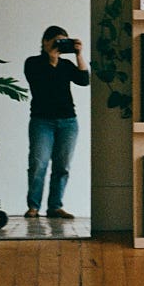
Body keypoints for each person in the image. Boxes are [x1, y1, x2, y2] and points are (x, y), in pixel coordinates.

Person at [23, 26, 89, 221]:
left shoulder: (67, 65)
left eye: (64, 42)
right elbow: (38, 83)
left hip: (68, 122)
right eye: (56, 41)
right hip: (42, 121)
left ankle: (55, 206)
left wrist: (79, 55)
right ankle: (33, 206)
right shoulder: (33, 63)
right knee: (38, 164)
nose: (59, 45)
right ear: (45, 42)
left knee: (62, 166)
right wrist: (51, 59)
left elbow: (84, 80)